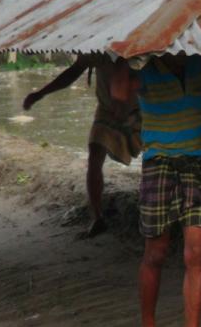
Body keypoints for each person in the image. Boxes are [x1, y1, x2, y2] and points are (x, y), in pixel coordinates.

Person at [112, 54, 201, 327]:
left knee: (195, 251)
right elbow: (119, 93)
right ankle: (149, 324)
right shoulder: (145, 70)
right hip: (159, 165)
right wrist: (123, 52)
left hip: (198, 164)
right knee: (155, 253)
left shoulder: (196, 62)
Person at [23, 53, 141, 238]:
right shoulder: (97, 49)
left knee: (155, 154)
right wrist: (41, 93)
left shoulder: (140, 44)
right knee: (94, 157)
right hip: (107, 109)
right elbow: (73, 73)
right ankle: (97, 217)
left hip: (139, 108)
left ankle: (156, 202)